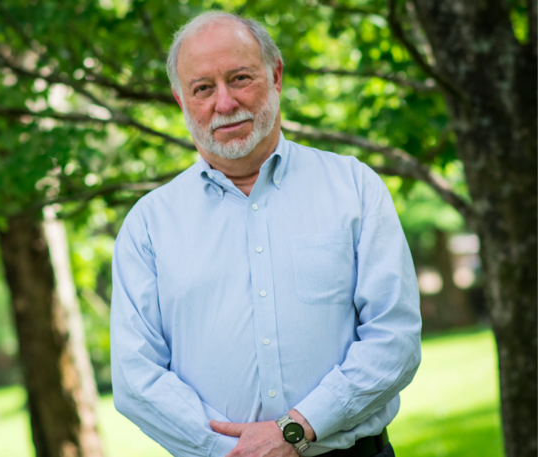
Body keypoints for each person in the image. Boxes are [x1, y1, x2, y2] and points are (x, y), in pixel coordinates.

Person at [110, 11, 421, 457]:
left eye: (240, 78)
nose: (224, 102)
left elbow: (396, 338)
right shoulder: (147, 226)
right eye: (203, 88)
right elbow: (136, 378)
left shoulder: (354, 187)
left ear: (275, 76)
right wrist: (234, 451)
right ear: (181, 101)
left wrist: (295, 430)